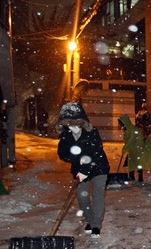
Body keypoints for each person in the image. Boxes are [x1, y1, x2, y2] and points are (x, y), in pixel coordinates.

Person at [57, 101, 110, 238]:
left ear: (81, 121)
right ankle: (90, 221)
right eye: (68, 124)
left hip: (98, 167)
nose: (72, 127)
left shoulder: (92, 132)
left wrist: (85, 169)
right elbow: (62, 153)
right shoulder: (66, 135)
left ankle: (96, 225)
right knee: (82, 196)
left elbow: (95, 151)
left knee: (97, 196)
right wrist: (73, 157)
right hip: (79, 169)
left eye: (75, 123)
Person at [118, 114, 145, 183]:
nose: (120, 125)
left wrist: (125, 148)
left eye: (121, 123)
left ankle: (140, 178)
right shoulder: (127, 130)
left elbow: (132, 140)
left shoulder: (133, 129)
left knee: (138, 163)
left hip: (138, 149)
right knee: (131, 163)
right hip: (132, 149)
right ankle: (132, 177)